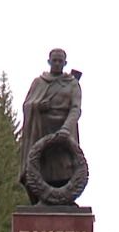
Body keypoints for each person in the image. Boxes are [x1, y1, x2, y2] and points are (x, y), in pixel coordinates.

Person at [18, 48, 83, 202]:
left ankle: (64, 199)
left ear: (65, 63)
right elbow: (27, 104)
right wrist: (38, 105)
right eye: (54, 60)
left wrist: (66, 129)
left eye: (60, 61)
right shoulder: (38, 82)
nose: (57, 63)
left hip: (63, 132)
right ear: (49, 61)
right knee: (41, 167)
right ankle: (42, 198)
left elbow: (75, 109)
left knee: (64, 167)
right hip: (41, 130)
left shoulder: (72, 84)